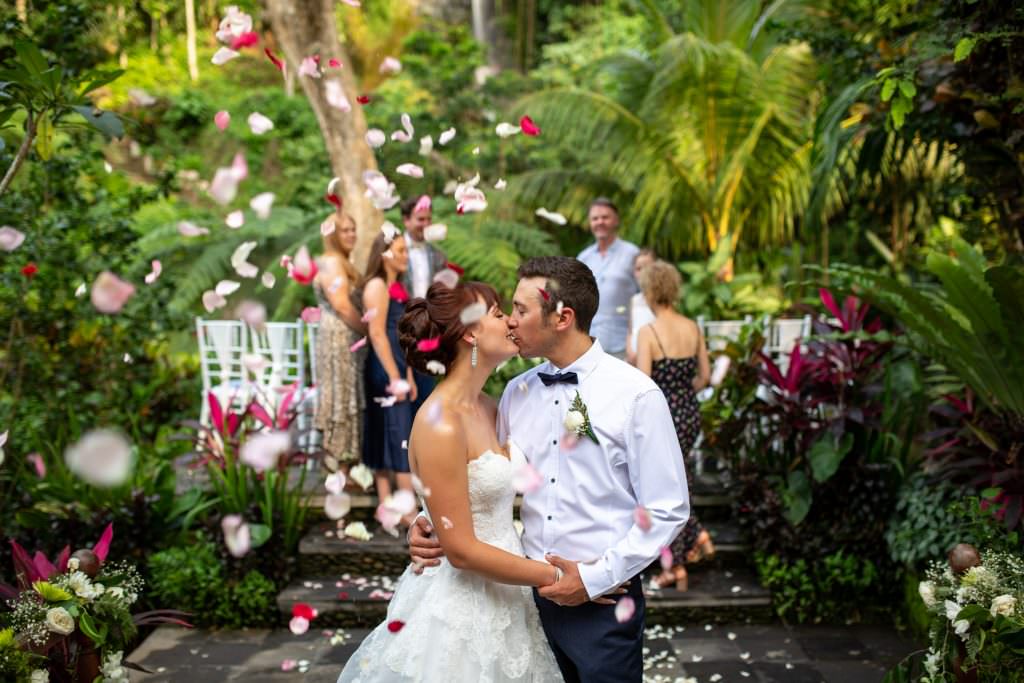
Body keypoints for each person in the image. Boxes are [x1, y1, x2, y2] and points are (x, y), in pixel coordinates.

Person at [410, 256, 690, 682]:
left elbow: (668, 508)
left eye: (520, 310)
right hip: (522, 600)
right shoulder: (515, 395)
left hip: (603, 603)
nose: (512, 321)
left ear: (562, 317)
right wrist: (430, 523)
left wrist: (596, 577)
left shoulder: (636, 396)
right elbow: (477, 475)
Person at [336, 280, 563, 682]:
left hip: (508, 594)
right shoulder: (439, 423)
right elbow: (460, 551)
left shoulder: (495, 406)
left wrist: (427, 521)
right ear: (471, 331)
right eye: (497, 313)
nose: (510, 320)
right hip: (460, 605)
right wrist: (554, 576)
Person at [634, 260, 713, 592]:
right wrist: (683, 395)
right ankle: (695, 535)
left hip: (662, 416)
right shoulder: (693, 327)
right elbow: (705, 377)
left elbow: (642, 384)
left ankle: (674, 566)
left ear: (650, 291)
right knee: (680, 481)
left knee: (661, 489)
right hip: (689, 412)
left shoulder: (648, 332)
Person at [359, 232, 417, 505]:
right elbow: (378, 334)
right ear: (384, 254)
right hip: (384, 370)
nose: (406, 255)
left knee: (391, 428)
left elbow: (400, 335)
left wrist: (407, 374)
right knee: (396, 430)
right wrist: (395, 377)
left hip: (398, 366)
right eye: (400, 250)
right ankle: (403, 503)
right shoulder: (377, 287)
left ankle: (385, 504)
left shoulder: (398, 289)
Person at [313, 211, 367, 466]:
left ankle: (347, 465)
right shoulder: (332, 262)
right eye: (345, 230)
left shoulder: (343, 261)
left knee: (347, 396)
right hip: (339, 338)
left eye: (353, 229)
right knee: (341, 398)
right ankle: (338, 466)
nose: (351, 235)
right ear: (332, 234)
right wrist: (370, 332)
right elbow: (342, 305)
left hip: (346, 338)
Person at [577, 198, 640, 359]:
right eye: (595, 218)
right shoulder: (584, 257)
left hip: (625, 344)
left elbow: (645, 297)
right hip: (590, 344)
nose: (600, 222)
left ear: (616, 220)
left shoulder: (632, 253)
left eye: (605, 217)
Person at [400, 194, 446, 413]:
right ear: (406, 220)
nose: (426, 224)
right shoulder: (394, 252)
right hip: (399, 328)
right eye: (420, 219)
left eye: (429, 219)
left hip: (428, 332)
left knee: (425, 393)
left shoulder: (438, 256)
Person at [624, 248, 656, 366]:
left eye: (647, 267)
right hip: (633, 359)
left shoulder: (661, 300)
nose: (643, 272)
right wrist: (630, 351)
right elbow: (630, 330)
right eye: (638, 269)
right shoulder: (634, 300)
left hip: (652, 357)